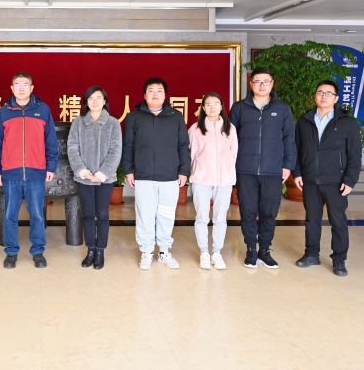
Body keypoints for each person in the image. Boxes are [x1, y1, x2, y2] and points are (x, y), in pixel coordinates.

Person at [293, 80, 362, 277]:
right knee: (311, 220)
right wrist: (297, 173)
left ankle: (339, 260)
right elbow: (297, 149)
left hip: (336, 182)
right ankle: (311, 254)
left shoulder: (347, 123)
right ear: (314, 96)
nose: (324, 96)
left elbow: (354, 154)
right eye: (320, 92)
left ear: (336, 98)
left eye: (328, 93)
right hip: (310, 180)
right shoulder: (304, 121)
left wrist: (350, 180)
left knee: (338, 221)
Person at [0, 71, 58, 269]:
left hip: (36, 173)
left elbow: (51, 140)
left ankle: (38, 251)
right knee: (10, 215)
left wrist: (51, 165)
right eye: (17, 85)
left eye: (25, 84)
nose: (21, 88)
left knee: (37, 214)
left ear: (32, 88)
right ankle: (11, 252)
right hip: (10, 173)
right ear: (12, 88)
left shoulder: (43, 110)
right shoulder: (3, 113)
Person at [230, 67, 296, 269]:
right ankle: (251, 249)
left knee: (269, 212)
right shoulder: (239, 108)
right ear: (250, 84)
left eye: (265, 81)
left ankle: (265, 250)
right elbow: (230, 139)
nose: (261, 85)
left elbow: (289, 138)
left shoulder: (282, 109)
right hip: (245, 170)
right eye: (257, 81)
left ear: (272, 84)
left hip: (272, 170)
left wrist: (287, 165)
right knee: (248, 211)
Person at [122, 77, 190, 270]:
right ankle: (146, 251)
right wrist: (128, 170)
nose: (155, 94)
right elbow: (128, 145)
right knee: (145, 215)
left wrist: (184, 171)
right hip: (143, 176)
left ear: (165, 95)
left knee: (166, 215)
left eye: (159, 90)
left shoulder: (176, 116)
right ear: (144, 95)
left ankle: (164, 251)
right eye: (151, 90)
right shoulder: (134, 117)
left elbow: (183, 146)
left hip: (169, 176)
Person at [67, 86, 122, 270]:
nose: (95, 102)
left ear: (105, 101)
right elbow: (72, 147)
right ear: (86, 102)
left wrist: (103, 172)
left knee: (102, 214)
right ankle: (90, 249)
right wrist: (81, 169)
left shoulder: (113, 123)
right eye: (91, 98)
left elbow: (116, 150)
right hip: (84, 177)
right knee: (88, 213)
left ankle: (100, 250)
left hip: (105, 178)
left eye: (98, 98)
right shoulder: (78, 122)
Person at [188, 92, 238, 270]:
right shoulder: (195, 129)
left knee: (220, 218)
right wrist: (195, 172)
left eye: (216, 104)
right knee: (202, 217)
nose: (212, 107)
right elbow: (191, 154)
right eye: (208, 104)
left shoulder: (230, 128)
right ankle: (204, 252)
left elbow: (234, 153)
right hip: (201, 179)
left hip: (224, 180)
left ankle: (216, 252)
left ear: (221, 106)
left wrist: (227, 170)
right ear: (203, 107)